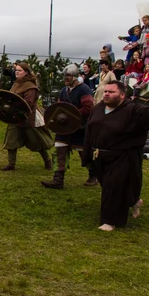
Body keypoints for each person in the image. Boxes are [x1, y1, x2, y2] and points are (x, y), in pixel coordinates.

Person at [82, 80, 147, 231]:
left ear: (122, 95)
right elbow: (90, 130)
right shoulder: (98, 108)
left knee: (113, 187)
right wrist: (87, 154)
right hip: (100, 156)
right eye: (105, 91)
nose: (106, 94)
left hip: (122, 156)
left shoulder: (132, 110)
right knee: (110, 185)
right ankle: (134, 201)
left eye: (111, 92)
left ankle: (110, 221)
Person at [41, 64, 96, 189]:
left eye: (68, 76)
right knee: (59, 151)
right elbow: (59, 107)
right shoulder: (63, 91)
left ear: (75, 77)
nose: (66, 78)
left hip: (80, 127)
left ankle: (93, 175)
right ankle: (58, 180)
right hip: (64, 128)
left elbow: (88, 108)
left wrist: (72, 115)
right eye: (65, 76)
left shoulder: (84, 90)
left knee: (85, 153)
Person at [0, 62, 53, 171]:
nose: (17, 72)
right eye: (16, 70)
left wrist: (16, 106)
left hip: (27, 117)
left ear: (26, 72)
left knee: (37, 142)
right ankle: (11, 164)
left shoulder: (30, 86)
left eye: (19, 70)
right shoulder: (16, 84)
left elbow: (28, 103)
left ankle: (47, 161)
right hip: (14, 117)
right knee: (11, 140)